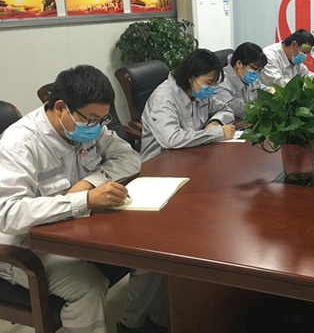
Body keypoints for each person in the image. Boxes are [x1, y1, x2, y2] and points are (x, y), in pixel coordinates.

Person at [0, 65, 166, 333]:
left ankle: (136, 325)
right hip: (23, 245)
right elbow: (9, 215)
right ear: (60, 108)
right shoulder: (20, 144)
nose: (97, 127)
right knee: (88, 288)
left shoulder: (88, 125)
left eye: (102, 120)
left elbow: (129, 157)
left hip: (75, 229)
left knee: (152, 253)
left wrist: (89, 183)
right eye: (91, 119)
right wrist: (84, 200)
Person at [140, 48, 235, 162]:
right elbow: (172, 139)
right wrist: (216, 133)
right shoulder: (163, 99)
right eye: (208, 83)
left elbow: (226, 109)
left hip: (192, 154)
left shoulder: (199, 92)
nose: (211, 88)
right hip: (160, 162)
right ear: (191, 78)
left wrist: (215, 122)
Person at [214, 42, 274, 119]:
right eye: (255, 69)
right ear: (239, 63)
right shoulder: (221, 82)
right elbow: (230, 107)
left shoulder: (248, 77)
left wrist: (271, 91)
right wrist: (259, 109)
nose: (257, 74)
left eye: (259, 70)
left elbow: (261, 89)